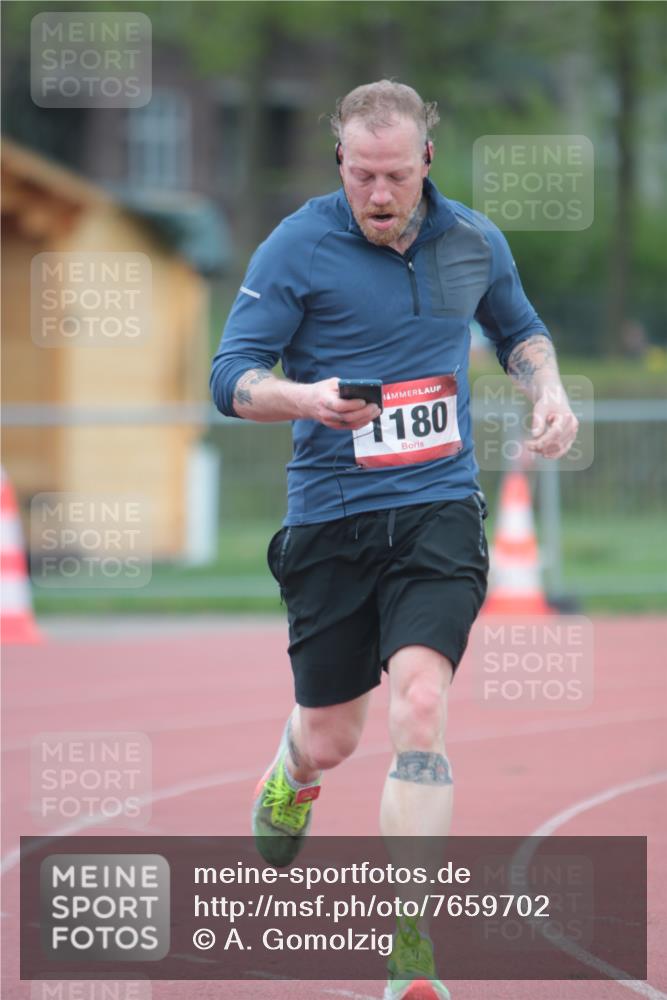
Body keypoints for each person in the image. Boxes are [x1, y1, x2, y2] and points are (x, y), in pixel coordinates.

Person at [210, 80, 578, 1000]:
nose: (379, 194)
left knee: (421, 704)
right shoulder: (296, 245)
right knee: (333, 737)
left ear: (427, 166)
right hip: (331, 516)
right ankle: (293, 771)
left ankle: (408, 940)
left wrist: (549, 391)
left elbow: (519, 330)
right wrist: (302, 398)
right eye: (364, 174)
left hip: (436, 510)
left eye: (397, 176)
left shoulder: (471, 242)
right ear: (340, 162)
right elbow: (230, 375)